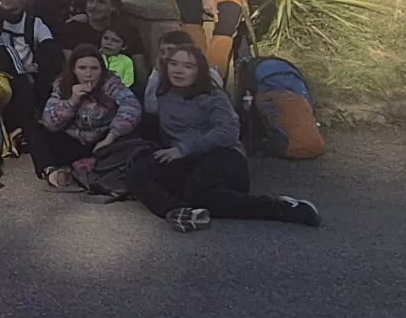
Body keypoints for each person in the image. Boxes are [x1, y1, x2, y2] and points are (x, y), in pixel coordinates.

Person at [131, 45, 320, 232]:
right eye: (174, 64)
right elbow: (149, 108)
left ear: (200, 71)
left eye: (188, 66)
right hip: (186, 160)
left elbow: (227, 132)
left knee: (201, 193)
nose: (179, 71)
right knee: (138, 171)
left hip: (223, 156)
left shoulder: (213, 96)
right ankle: (178, 211)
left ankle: (285, 209)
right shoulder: (163, 93)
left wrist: (183, 149)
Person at [34, 48, 143, 189]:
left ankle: (86, 167)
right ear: (74, 69)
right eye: (82, 68)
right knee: (37, 129)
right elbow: (50, 122)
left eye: (94, 68)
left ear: (101, 70)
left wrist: (112, 135)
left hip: (103, 142)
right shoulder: (62, 86)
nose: (88, 74)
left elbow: (132, 106)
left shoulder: (111, 84)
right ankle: (50, 171)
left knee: (137, 131)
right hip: (73, 141)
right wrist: (72, 101)